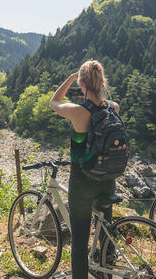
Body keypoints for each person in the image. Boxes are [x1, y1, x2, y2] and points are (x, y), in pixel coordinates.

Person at [50, 59, 119, 279]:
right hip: (108, 178)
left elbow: (54, 101)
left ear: (81, 84)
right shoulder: (113, 108)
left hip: (82, 182)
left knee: (79, 240)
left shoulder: (77, 111)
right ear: (102, 82)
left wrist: (70, 79)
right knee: (105, 230)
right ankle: (107, 272)